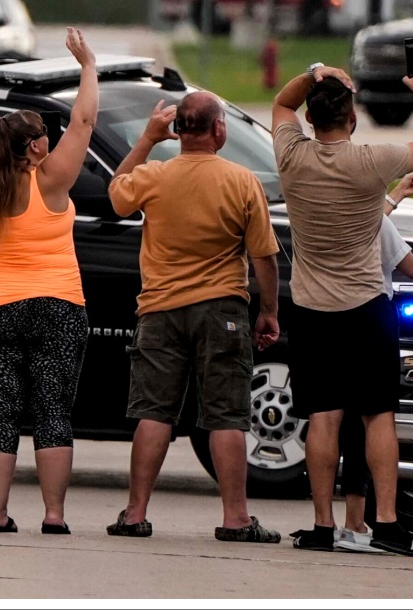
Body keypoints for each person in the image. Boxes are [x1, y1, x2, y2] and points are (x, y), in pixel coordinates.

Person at [271, 55, 413, 557]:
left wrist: (315, 71)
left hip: (310, 307)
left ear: (311, 119)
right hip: (365, 305)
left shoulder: (291, 156)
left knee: (323, 416)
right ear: (352, 119)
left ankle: (324, 526)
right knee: (377, 415)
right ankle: (384, 523)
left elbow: (282, 102)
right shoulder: (370, 161)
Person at [105, 92, 282, 543]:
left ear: (178, 131)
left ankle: (135, 513)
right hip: (222, 309)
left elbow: (116, 197)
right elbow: (264, 257)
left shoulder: (154, 177)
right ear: (219, 130)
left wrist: (146, 139)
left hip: (159, 311)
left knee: (154, 412)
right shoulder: (242, 181)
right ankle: (235, 518)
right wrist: (268, 310)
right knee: (226, 417)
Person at [0, 28, 95, 535]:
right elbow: (86, 121)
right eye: (46, 131)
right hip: (59, 303)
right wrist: (87, 66)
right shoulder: (50, 180)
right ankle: (54, 515)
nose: (52, 136)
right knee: (52, 412)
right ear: (35, 146)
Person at [336, 173, 413, 554]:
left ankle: (338, 523)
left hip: (327, 315)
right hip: (370, 316)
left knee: (335, 418)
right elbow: (412, 269)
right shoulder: (377, 221)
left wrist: (396, 195)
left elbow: (370, 216)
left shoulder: (323, 210)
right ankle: (386, 523)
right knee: (376, 417)